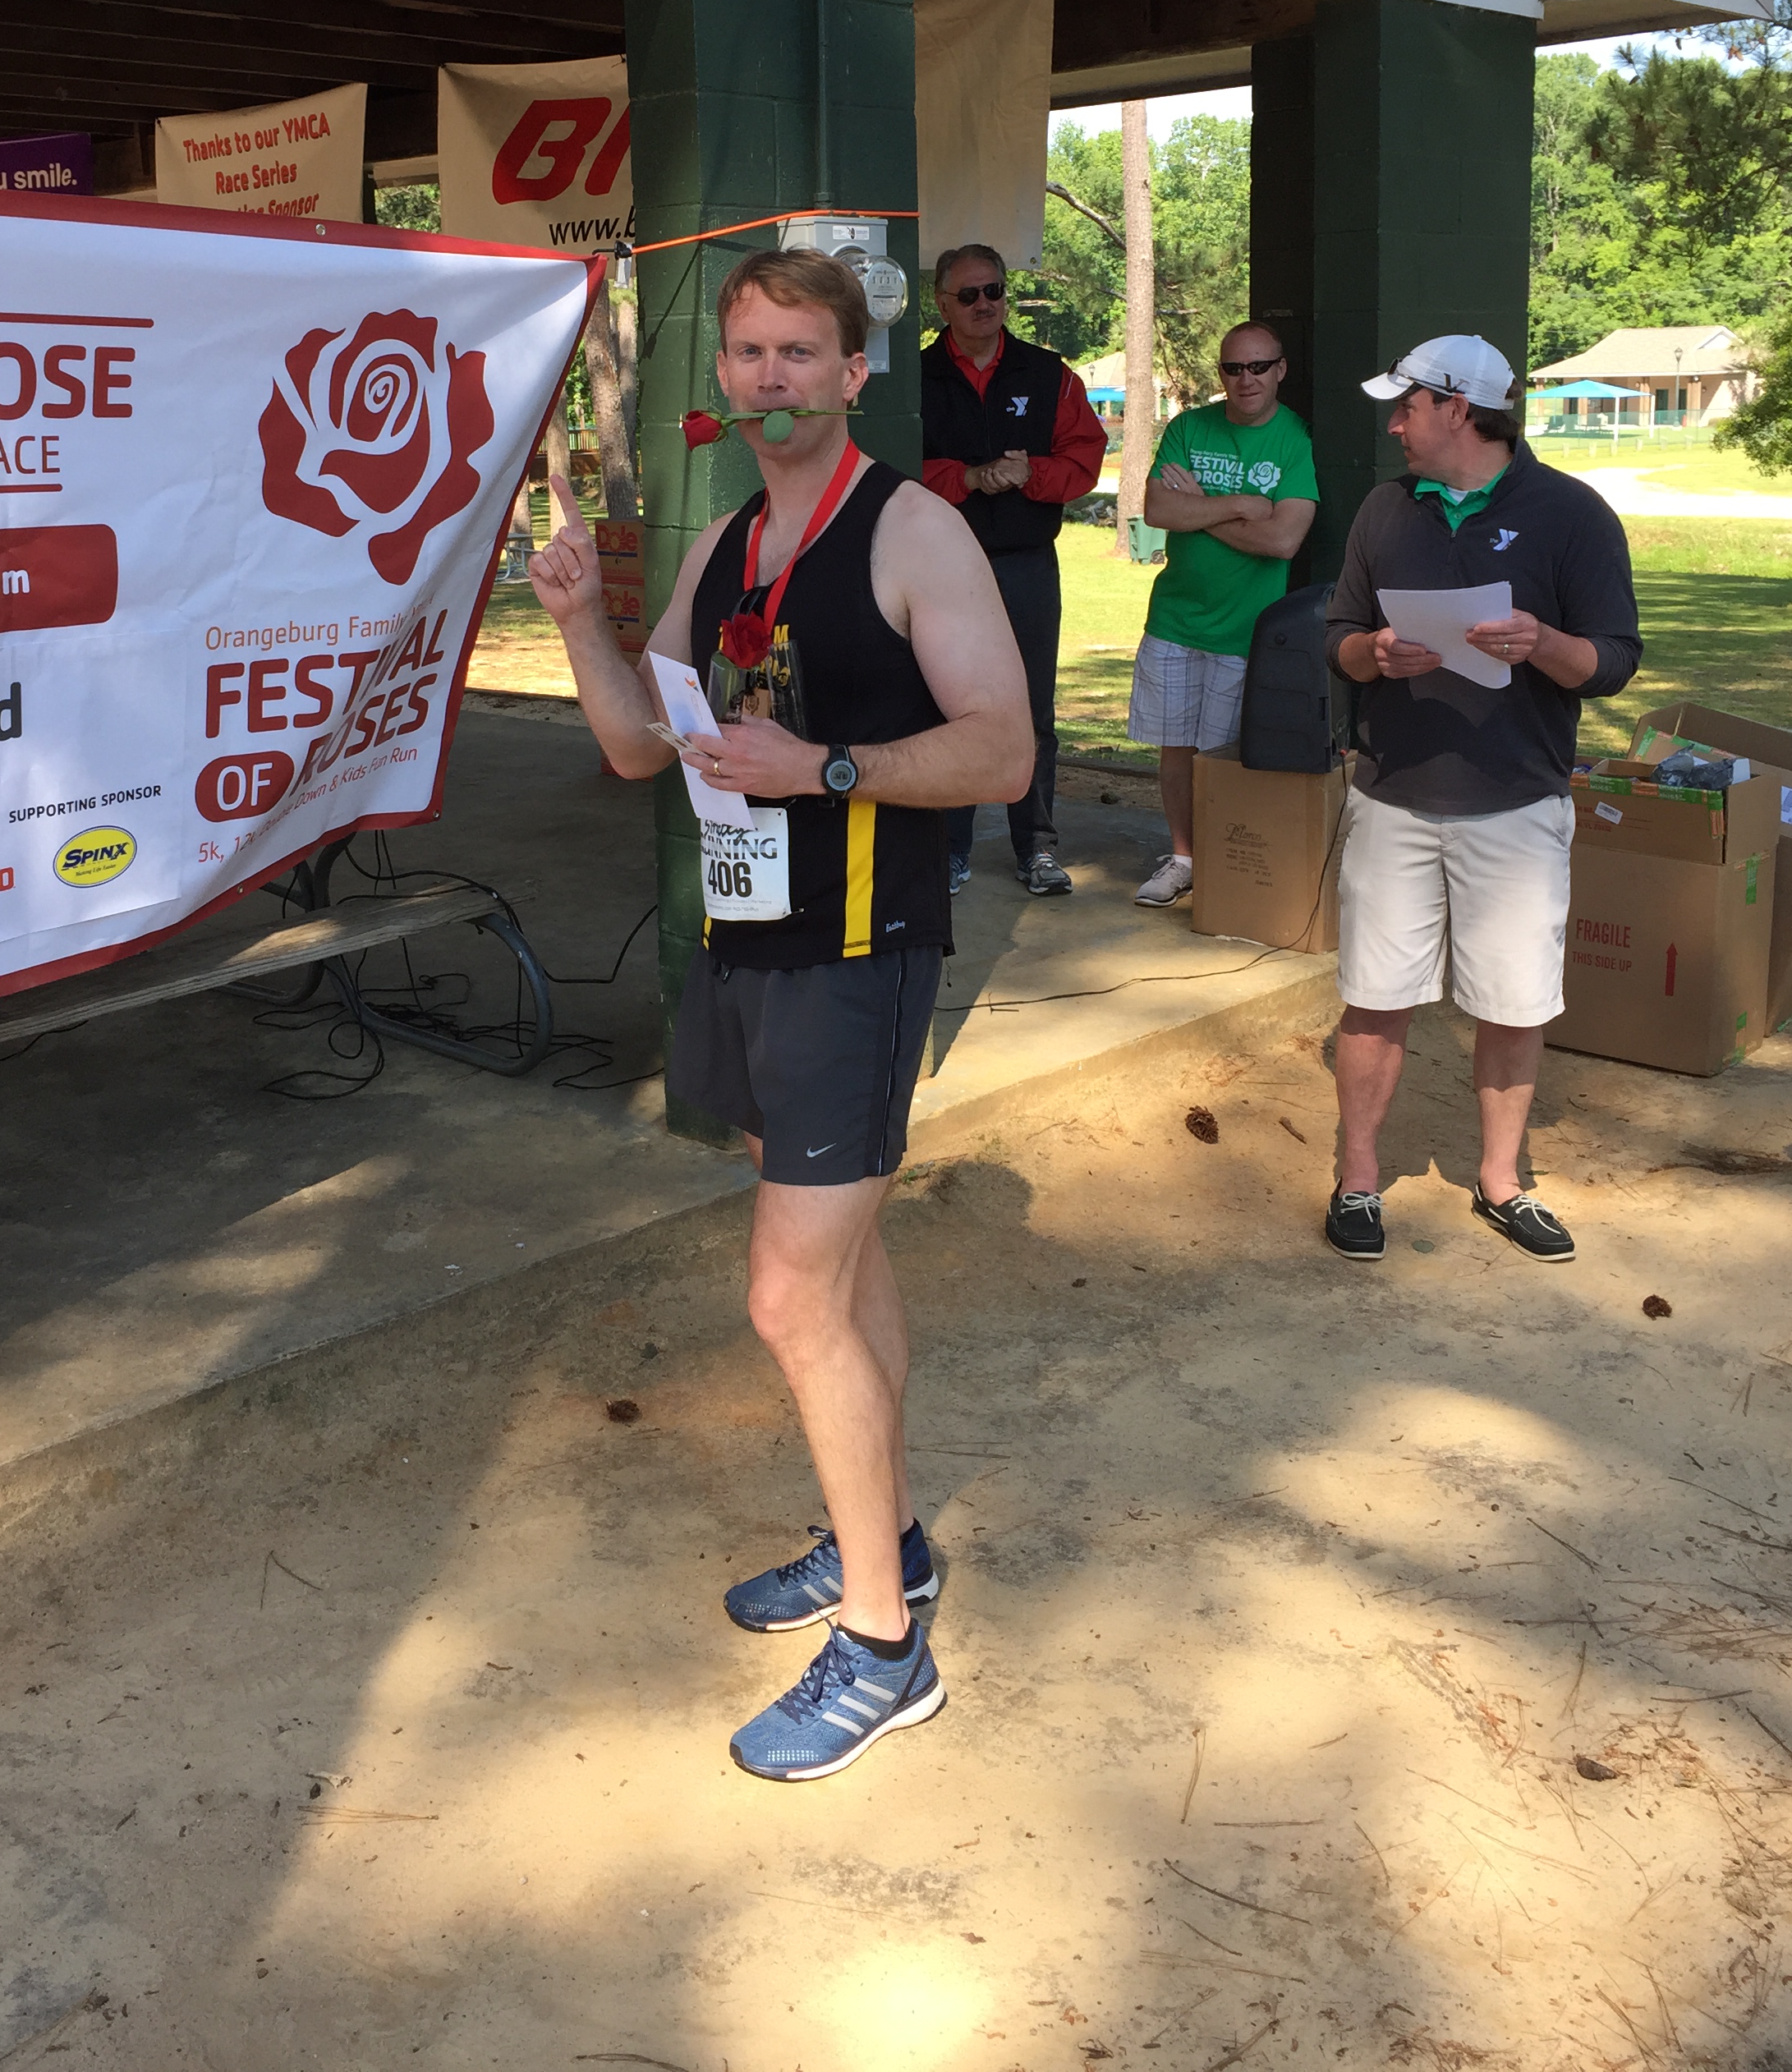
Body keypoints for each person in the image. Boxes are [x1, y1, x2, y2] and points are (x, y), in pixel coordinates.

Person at [526, 247, 1032, 1778]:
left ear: (852, 370)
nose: (771, 377)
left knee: (787, 1299)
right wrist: (576, 618)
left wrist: (823, 767)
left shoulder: (914, 528)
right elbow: (641, 744)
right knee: (841, 1262)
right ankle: (885, 1542)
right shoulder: (729, 541)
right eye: (749, 352)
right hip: (746, 940)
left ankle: (883, 1646)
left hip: (861, 951)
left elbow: (1004, 749)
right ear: (726, 376)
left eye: (800, 351)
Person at [1321, 333, 1641, 1265]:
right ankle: (1357, 1179)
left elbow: (1613, 662)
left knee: (1513, 1004)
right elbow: (1340, 634)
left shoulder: (1572, 514)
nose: (1395, 425)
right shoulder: (1384, 510)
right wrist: (1373, 654)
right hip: (1392, 799)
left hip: (1517, 804)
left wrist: (1542, 643)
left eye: (1408, 406)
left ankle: (1501, 1183)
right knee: (1374, 999)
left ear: (1458, 409)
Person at [919, 242, 1106, 896]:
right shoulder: (915, 378)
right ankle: (948, 850)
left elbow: (1084, 459)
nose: (984, 305)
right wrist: (967, 478)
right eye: (968, 294)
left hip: (1026, 564)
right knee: (947, 707)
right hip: (942, 568)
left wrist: (1032, 474)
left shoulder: (1049, 374)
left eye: (994, 291)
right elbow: (893, 468)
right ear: (942, 303)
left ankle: (1037, 847)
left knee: (1032, 711)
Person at [1127, 322, 1318, 907]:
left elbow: (1283, 540)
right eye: (1233, 368)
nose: (1246, 379)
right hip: (1175, 620)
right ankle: (1183, 859)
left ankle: (1224, 868)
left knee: (1224, 758)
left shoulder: (1294, 439)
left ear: (1280, 370)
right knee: (1175, 749)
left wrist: (1200, 508)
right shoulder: (1189, 427)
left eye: (1258, 367)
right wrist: (1237, 506)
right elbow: (1157, 509)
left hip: (1245, 630)